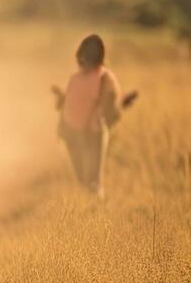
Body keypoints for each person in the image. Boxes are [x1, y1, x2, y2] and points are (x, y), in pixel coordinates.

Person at [52, 34, 133, 197]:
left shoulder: (95, 78)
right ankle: (91, 211)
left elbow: (112, 103)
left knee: (88, 180)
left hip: (83, 133)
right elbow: (114, 104)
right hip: (82, 134)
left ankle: (92, 212)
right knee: (87, 180)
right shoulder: (93, 78)